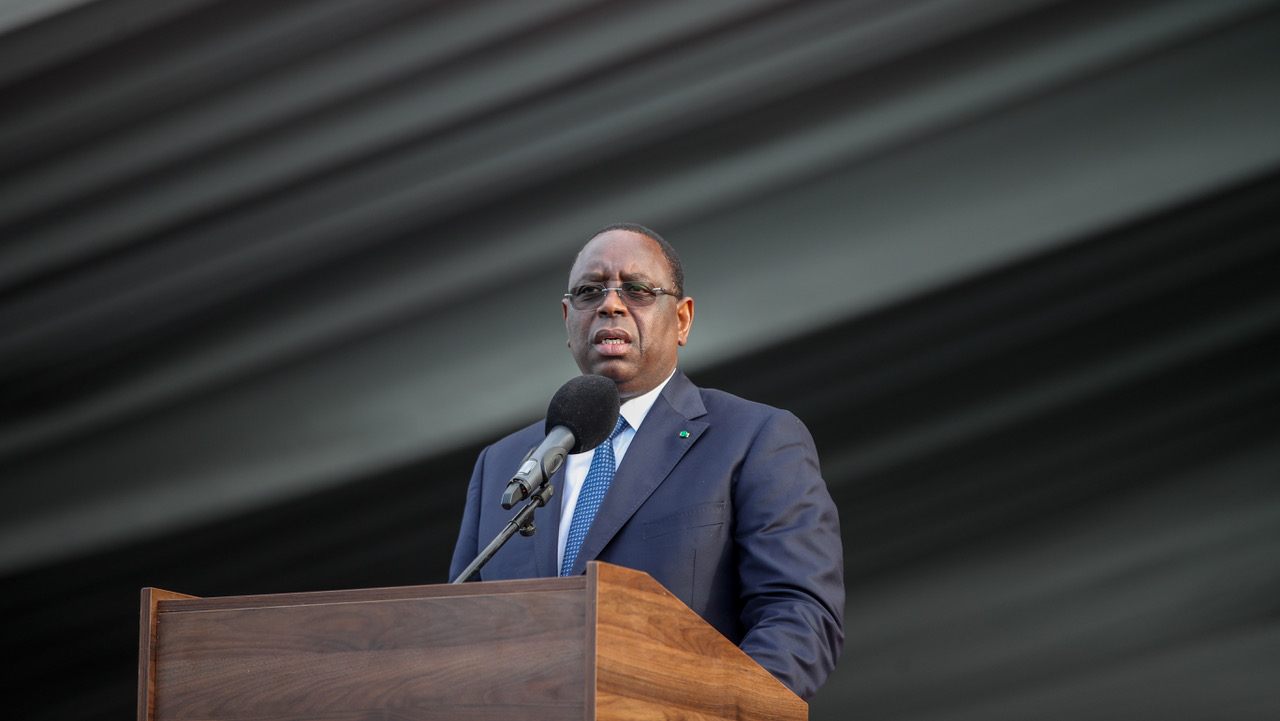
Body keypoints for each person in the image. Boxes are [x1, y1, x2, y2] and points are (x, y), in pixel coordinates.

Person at [450, 223, 844, 700]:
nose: (610, 305)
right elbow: (457, 634)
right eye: (589, 291)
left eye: (637, 290)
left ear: (682, 320)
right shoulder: (504, 463)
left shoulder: (755, 438)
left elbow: (797, 618)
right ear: (567, 318)